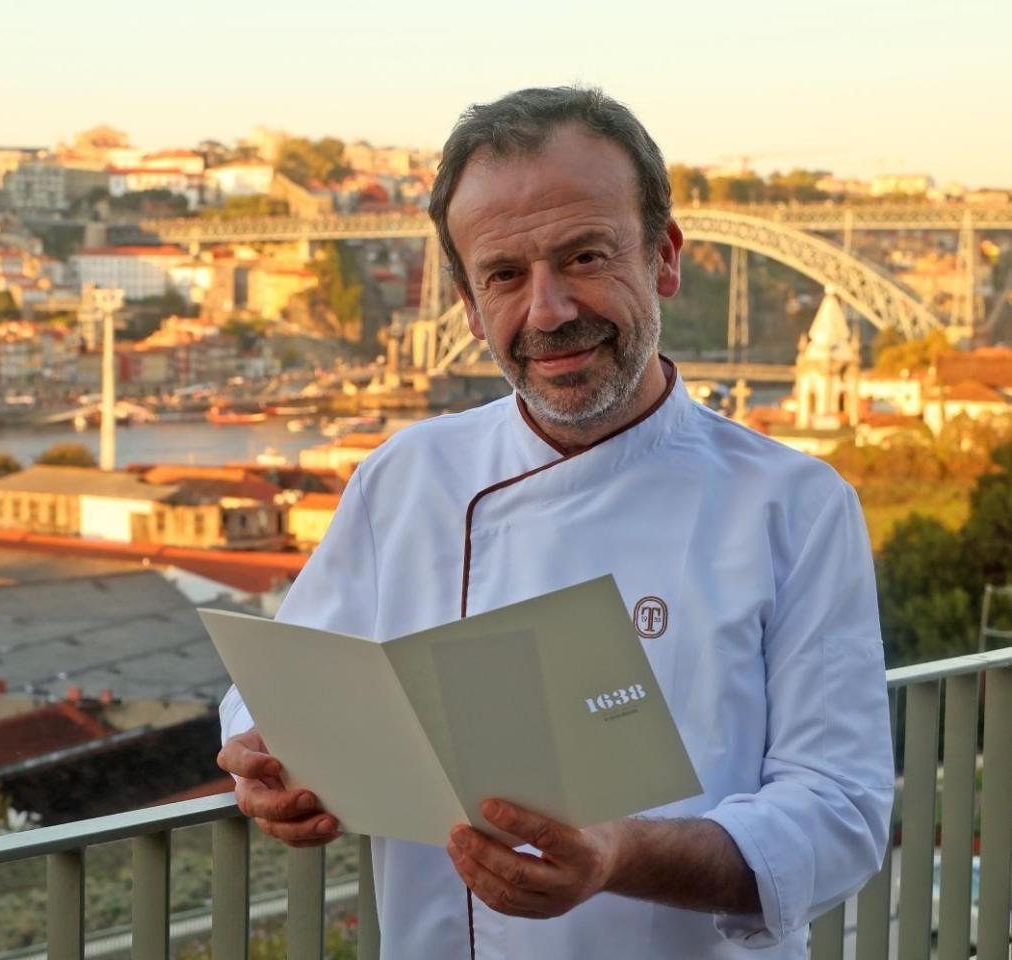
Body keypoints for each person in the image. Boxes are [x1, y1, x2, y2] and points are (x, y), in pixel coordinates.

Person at [216, 87, 894, 960]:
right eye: (504, 275)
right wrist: (267, 758)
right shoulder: (406, 476)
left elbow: (839, 813)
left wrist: (618, 855)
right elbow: (289, 674)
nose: (549, 311)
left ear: (665, 259)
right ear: (466, 304)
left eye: (584, 257)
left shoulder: (796, 505)